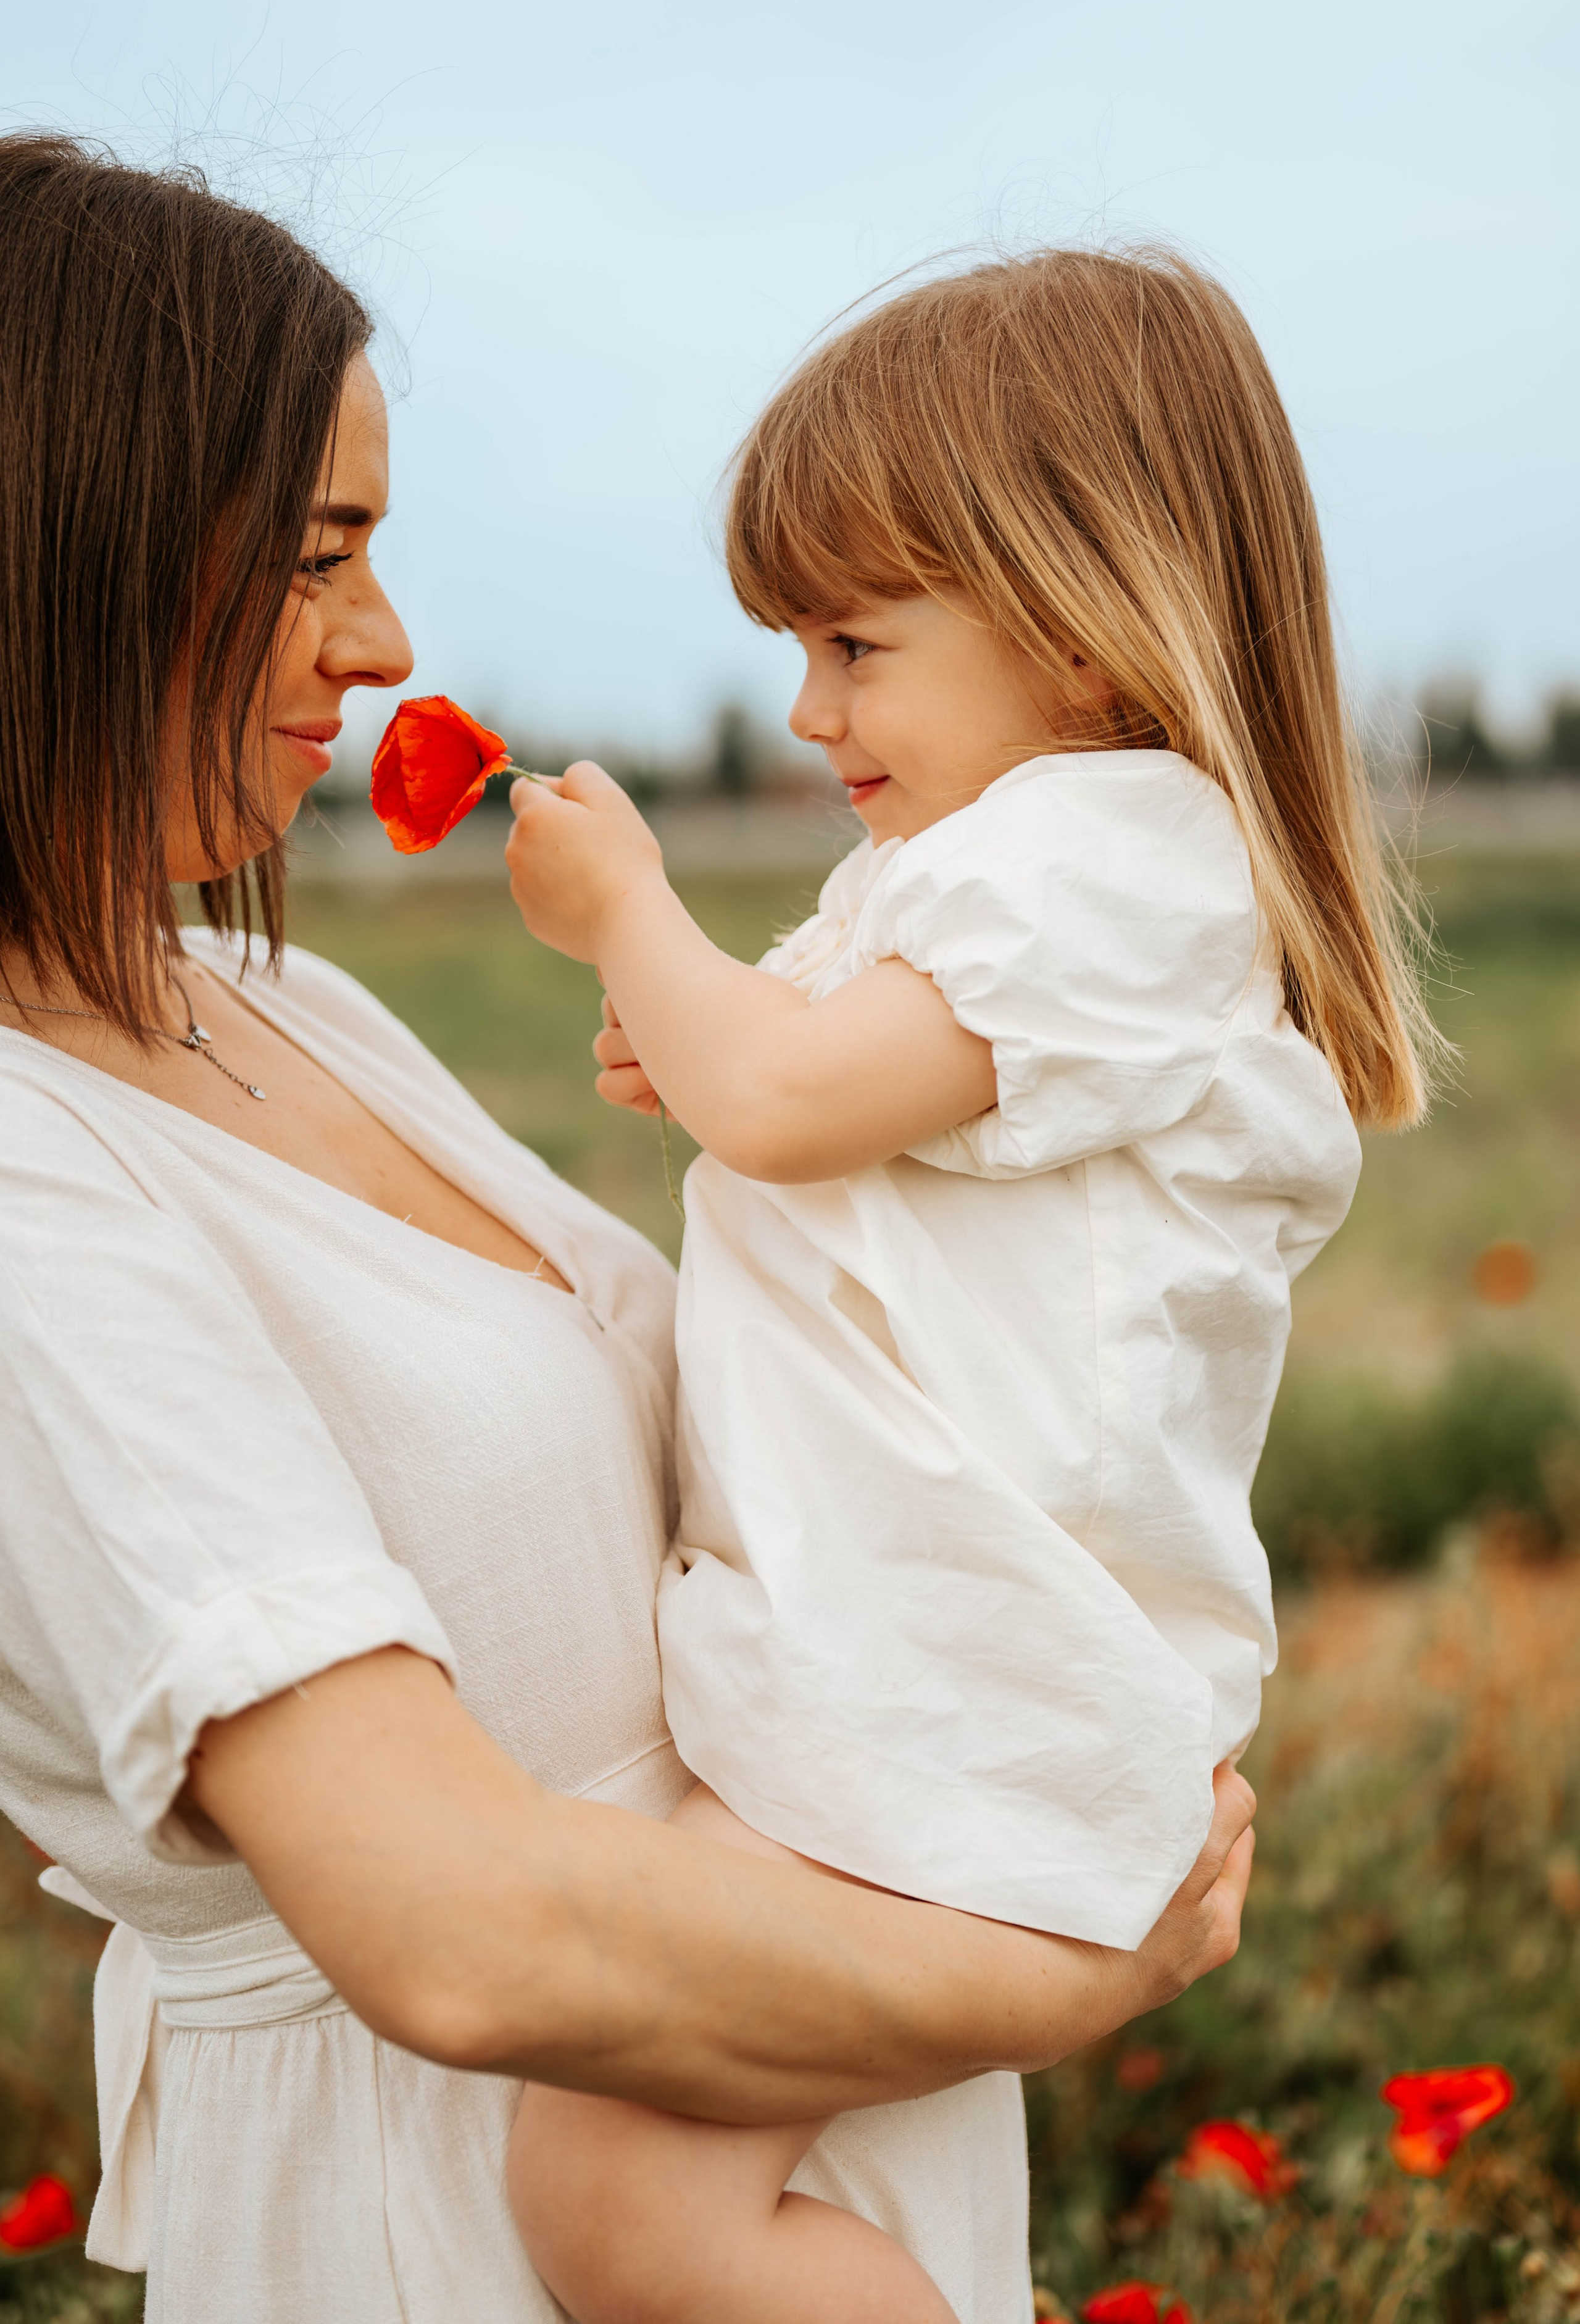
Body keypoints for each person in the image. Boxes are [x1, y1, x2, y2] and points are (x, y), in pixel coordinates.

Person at [0, 139, 1254, 2324]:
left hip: (768, 2092)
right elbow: (457, 1933)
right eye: (318, 554)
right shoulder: (28, 1172)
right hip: (464, 2216)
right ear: (60, 543)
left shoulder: (289, 1004)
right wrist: (1064, 1971)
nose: (384, 642)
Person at [501, 246, 1437, 2323]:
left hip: (949, 1688)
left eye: (854, 642)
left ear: (1084, 629)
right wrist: (712, 1033)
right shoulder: (1012, 871)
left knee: (613, 2200)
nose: (808, 708)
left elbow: (785, 1104)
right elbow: (812, 1090)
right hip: (918, 1674)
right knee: (639, 2183)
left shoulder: (1103, 855)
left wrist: (633, 918)